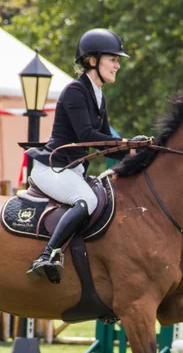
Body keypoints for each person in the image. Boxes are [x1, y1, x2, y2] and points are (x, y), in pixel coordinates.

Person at [25, 28, 145, 283]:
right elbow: (86, 135)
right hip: (52, 168)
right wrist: (126, 143)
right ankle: (46, 256)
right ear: (92, 61)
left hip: (71, 170)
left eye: (118, 61)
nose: (117, 66)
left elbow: (104, 145)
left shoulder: (98, 95)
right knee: (86, 200)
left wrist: (135, 150)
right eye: (113, 59)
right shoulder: (75, 91)